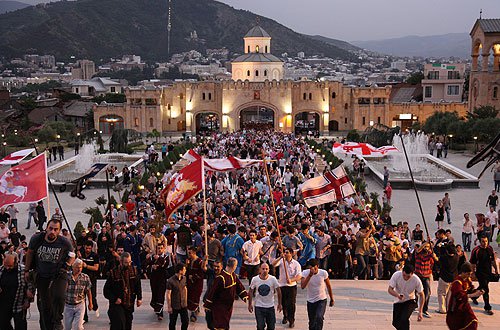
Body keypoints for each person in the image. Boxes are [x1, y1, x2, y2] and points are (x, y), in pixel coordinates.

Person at [25, 218, 75, 330]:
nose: (52, 231)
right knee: (45, 305)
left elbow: (72, 255)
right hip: (42, 274)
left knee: (59, 296)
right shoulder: (37, 239)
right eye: (50, 228)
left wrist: (67, 265)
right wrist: (27, 270)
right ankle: (47, 325)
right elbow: (30, 253)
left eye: (55, 229)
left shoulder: (64, 242)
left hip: (59, 273)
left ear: (59, 231)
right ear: (46, 228)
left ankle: (57, 320)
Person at [204, 257, 249, 330]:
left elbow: (239, 285)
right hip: (219, 307)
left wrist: (244, 295)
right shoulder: (221, 278)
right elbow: (212, 292)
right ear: (234, 266)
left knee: (225, 324)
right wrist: (208, 305)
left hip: (228, 307)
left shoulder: (233, 275)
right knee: (219, 325)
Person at [103, 252, 142, 330]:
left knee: (128, 324)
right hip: (117, 304)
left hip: (129, 302)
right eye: (126, 263)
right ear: (121, 262)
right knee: (119, 324)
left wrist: (139, 298)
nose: (128, 264)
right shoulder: (113, 273)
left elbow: (138, 285)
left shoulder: (134, 271)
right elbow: (106, 290)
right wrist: (114, 299)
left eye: (130, 262)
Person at [446, 262, 484, 330]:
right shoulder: (457, 282)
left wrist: (478, 292)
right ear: (463, 272)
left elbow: (470, 290)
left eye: (470, 274)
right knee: (458, 326)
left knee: (473, 322)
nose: (469, 276)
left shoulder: (467, 280)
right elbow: (459, 296)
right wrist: (473, 295)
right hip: (456, 308)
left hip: (465, 305)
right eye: (468, 274)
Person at [0, 254, 33, 330]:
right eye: (6, 265)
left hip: (19, 304)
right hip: (3, 304)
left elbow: (31, 286)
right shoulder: (1, 269)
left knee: (20, 326)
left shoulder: (24, 270)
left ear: (16, 262)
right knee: (2, 325)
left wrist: (28, 300)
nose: (7, 268)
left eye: (10, 266)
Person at [300, 259, 335, 330]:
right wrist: (309, 275)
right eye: (310, 268)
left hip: (321, 299)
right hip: (310, 300)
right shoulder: (305, 273)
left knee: (319, 317)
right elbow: (303, 286)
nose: (313, 270)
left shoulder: (323, 273)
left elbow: (328, 286)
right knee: (312, 321)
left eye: (315, 268)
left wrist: (332, 299)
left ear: (318, 266)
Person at [272, 247, 302, 328]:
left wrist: (292, 280)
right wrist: (279, 257)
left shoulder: (296, 264)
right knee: (283, 303)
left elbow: (299, 276)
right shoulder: (281, 261)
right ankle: (285, 316)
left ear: (291, 254)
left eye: (287, 252)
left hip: (291, 286)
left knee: (291, 304)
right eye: (285, 252)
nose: (285, 254)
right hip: (282, 285)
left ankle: (291, 320)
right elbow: (273, 264)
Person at [388, 264, 424, 330]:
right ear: (402, 271)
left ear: (412, 273)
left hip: (410, 300)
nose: (405, 278)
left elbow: (422, 295)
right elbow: (390, 289)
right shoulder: (396, 275)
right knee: (396, 323)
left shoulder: (416, 280)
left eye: (408, 276)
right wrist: (397, 295)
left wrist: (420, 311)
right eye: (404, 275)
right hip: (398, 300)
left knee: (404, 319)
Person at [248, 262, 282, 330]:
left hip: (270, 306)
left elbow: (279, 291)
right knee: (260, 326)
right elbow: (251, 291)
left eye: (266, 269)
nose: (265, 270)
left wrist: (279, 304)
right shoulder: (255, 279)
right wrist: (250, 304)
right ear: (260, 269)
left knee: (271, 327)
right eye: (263, 269)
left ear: (269, 270)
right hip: (259, 306)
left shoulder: (273, 279)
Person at [470, 235, 499, 315]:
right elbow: (472, 263)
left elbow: (493, 261)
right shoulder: (476, 250)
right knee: (485, 289)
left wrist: (496, 269)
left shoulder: (490, 249)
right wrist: (473, 273)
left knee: (482, 287)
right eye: (483, 241)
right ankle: (487, 307)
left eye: (486, 241)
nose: (485, 243)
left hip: (488, 272)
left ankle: (474, 296)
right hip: (480, 273)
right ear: (480, 241)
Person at [64, 259, 92, 330]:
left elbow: (88, 291)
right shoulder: (66, 276)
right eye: (77, 267)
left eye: (81, 267)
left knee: (78, 327)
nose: (79, 269)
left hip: (80, 305)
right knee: (67, 327)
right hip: (68, 305)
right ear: (73, 267)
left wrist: (90, 303)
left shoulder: (85, 277)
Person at [145, 243, 170, 320]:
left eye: (161, 248)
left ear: (163, 249)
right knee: (155, 294)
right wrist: (152, 266)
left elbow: (165, 265)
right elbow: (147, 266)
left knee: (160, 295)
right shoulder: (152, 257)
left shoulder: (166, 257)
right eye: (158, 248)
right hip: (154, 280)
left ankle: (160, 313)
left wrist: (159, 258)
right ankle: (157, 308)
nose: (159, 250)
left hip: (162, 279)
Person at [414, 241, 437, 318]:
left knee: (427, 293)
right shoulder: (418, 254)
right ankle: (414, 306)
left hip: (426, 275)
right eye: (425, 247)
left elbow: (436, 260)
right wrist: (426, 242)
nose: (426, 248)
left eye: (427, 247)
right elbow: (418, 250)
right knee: (416, 292)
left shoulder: (430, 255)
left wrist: (434, 256)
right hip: (418, 275)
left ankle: (424, 309)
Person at [79, 240, 99, 323]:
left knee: (92, 296)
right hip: (82, 279)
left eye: (89, 248)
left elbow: (96, 268)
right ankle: (84, 317)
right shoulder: (81, 254)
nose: (87, 250)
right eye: (86, 248)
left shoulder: (95, 256)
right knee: (82, 298)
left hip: (92, 278)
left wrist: (86, 266)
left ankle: (95, 307)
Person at [436, 243, 459, 314]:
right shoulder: (457, 257)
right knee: (450, 294)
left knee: (441, 293)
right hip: (453, 278)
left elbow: (438, 261)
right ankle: (448, 307)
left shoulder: (444, 258)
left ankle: (442, 309)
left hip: (444, 278)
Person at [186, 246, 207, 322]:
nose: (189, 254)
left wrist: (194, 277)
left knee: (195, 296)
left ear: (194, 253)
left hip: (197, 283)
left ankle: (193, 313)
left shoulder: (199, 261)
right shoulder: (189, 261)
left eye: (190, 253)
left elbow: (202, 273)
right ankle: (194, 308)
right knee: (190, 297)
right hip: (189, 283)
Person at [166, 263, 189, 330]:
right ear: (180, 271)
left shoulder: (184, 278)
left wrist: (186, 300)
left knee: (185, 321)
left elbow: (185, 288)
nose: (185, 271)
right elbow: (168, 294)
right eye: (184, 269)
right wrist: (169, 307)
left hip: (183, 305)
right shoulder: (170, 281)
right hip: (174, 305)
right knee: (172, 323)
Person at [204, 260, 223, 330]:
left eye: (218, 267)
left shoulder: (224, 276)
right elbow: (204, 268)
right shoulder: (211, 273)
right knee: (209, 322)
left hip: (219, 303)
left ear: (221, 267)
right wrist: (204, 260)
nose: (216, 268)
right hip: (209, 301)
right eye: (214, 266)